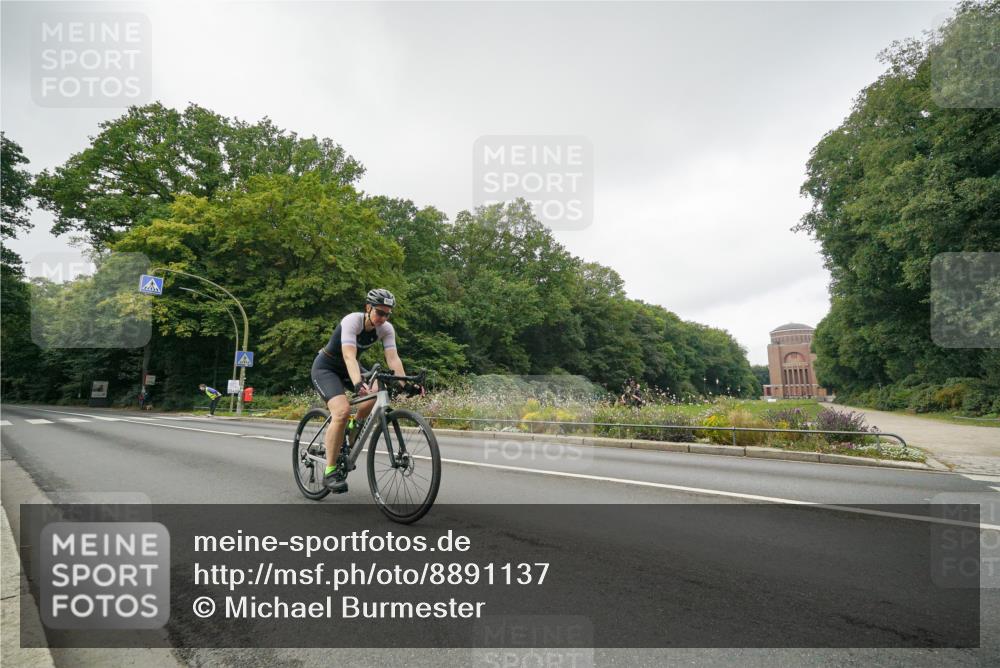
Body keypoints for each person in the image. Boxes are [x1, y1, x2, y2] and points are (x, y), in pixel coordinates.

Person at [310, 289, 420, 493]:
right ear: (368, 308)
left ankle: (354, 426)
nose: (383, 318)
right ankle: (330, 471)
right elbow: (349, 356)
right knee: (341, 411)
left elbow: (393, 359)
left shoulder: (386, 329)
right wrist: (358, 383)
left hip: (350, 367)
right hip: (327, 368)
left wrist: (406, 384)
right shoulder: (352, 321)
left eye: (387, 314)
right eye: (380, 312)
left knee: (377, 391)